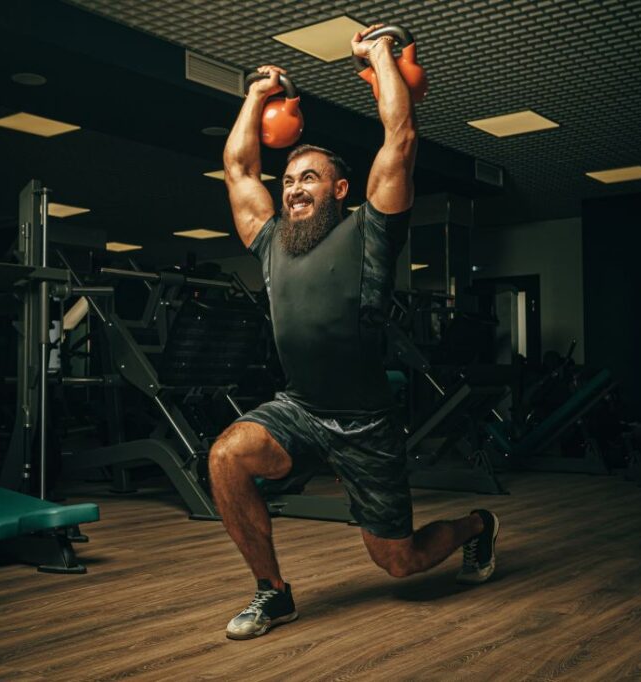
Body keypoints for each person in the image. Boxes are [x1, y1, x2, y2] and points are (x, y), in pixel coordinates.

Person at [214, 24, 499, 641]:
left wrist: (379, 57)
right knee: (225, 457)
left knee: (402, 562)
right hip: (301, 407)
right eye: (289, 181)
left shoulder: (370, 231)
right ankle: (274, 594)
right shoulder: (270, 243)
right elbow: (239, 168)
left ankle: (478, 526)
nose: (293, 190)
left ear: (340, 191)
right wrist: (256, 95)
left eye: (308, 179)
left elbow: (401, 136)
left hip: (367, 422)